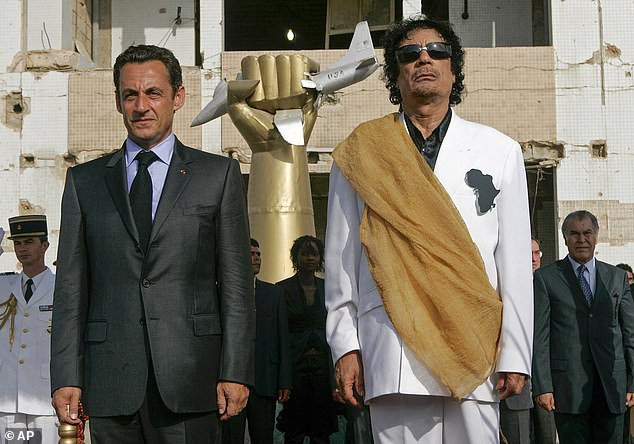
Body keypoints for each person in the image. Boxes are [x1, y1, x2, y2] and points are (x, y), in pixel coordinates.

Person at [325, 16, 533, 443]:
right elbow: (341, 262)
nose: (424, 58)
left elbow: (513, 265)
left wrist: (516, 352)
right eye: (409, 53)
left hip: (474, 346)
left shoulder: (500, 151)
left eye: (437, 51)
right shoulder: (361, 153)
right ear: (395, 72)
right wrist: (345, 346)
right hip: (392, 346)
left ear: (453, 69)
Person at [50, 44, 254, 443]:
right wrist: (66, 376)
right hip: (109, 382)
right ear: (118, 101)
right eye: (130, 95)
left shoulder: (218, 176)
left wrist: (235, 370)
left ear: (178, 97)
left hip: (192, 377)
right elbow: (71, 289)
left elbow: (236, 285)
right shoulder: (84, 183)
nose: (141, 106)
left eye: (153, 93)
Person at [532, 210, 634, 444]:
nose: (581, 239)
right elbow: (540, 336)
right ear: (565, 237)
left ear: (596, 236)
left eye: (587, 233)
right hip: (567, 389)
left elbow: (630, 333)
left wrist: (632, 381)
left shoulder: (617, 277)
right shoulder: (546, 279)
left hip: (613, 388)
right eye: (574, 234)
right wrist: (543, 386)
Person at [222, 238, 291, 444]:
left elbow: (282, 338)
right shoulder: (225, 292)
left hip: (265, 380)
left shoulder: (273, 293)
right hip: (232, 379)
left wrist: (284, 380)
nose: (256, 258)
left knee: (263, 437)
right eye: (251, 254)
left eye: (258, 254)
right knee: (230, 438)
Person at [0, 215, 56, 444]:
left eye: (29, 241)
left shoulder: (61, 288)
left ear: (45, 245)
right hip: (8, 399)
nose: (22, 248)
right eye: (18, 243)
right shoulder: (4, 286)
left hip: (44, 399)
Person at [277, 235, 338, 444]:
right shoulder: (282, 289)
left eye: (314, 254)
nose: (310, 258)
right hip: (295, 363)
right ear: (296, 257)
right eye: (305, 254)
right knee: (294, 429)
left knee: (321, 430)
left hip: (322, 364)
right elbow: (280, 333)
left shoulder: (328, 288)